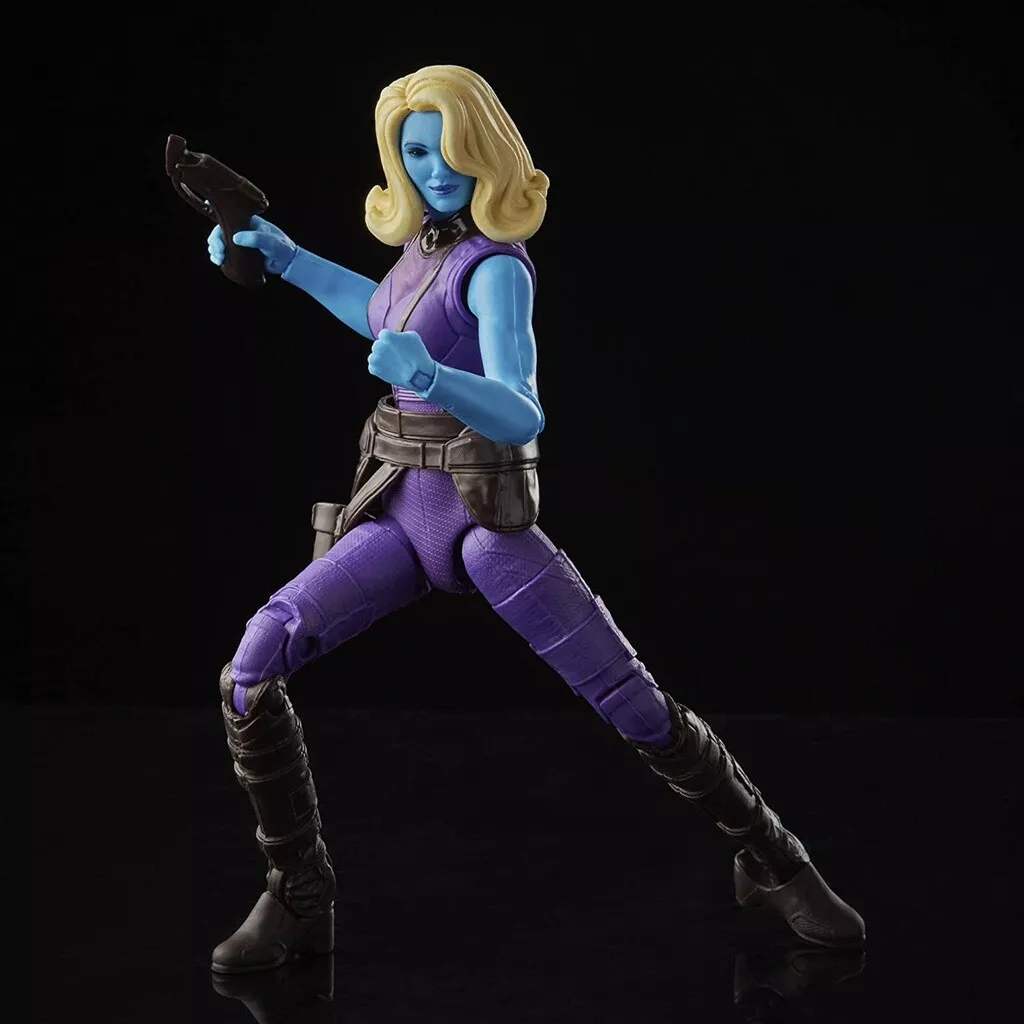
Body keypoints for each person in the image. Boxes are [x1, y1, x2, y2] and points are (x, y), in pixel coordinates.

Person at [206, 65, 865, 975]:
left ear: (485, 151)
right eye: (415, 152)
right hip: (396, 512)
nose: (435, 170)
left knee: (627, 697)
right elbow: (381, 310)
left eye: (450, 151)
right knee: (252, 665)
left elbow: (521, 409)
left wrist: (429, 376)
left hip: (482, 522)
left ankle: (773, 857)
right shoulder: (424, 249)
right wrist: (287, 259)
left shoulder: (495, 269)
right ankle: (299, 892)